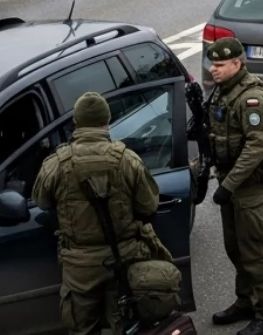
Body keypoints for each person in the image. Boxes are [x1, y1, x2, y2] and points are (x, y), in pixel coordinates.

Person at [32, 92, 171, 335]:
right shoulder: (127, 159)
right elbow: (148, 206)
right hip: (124, 256)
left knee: (83, 328)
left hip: (79, 264)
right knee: (127, 324)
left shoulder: (57, 163)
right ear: (107, 122)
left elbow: (41, 201)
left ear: (76, 123)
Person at [205, 37, 263, 335]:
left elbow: (257, 145)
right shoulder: (223, 92)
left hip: (248, 186)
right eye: (213, 64)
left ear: (237, 63)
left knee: (254, 251)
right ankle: (246, 301)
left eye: (221, 64)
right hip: (230, 181)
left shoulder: (252, 98)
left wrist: (229, 184)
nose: (215, 69)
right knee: (235, 247)